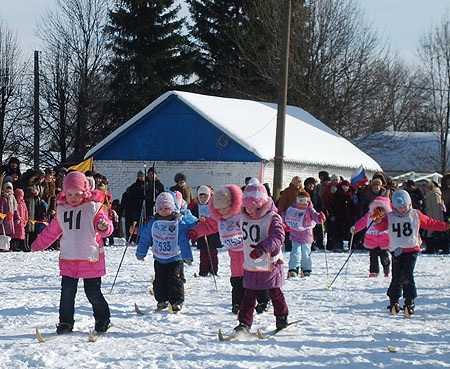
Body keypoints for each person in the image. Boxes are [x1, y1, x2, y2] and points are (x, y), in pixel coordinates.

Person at [31, 171, 114, 335]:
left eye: (77, 194)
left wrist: (104, 227)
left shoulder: (93, 207)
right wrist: (37, 245)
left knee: (93, 294)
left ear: (86, 191)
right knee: (67, 294)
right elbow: (52, 231)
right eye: (69, 194)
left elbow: (105, 228)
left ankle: (103, 319)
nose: (73, 197)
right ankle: (65, 322)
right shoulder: (62, 209)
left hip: (90, 259)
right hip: (69, 258)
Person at [187, 184, 270, 314]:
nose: (223, 211)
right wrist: (195, 231)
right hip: (235, 255)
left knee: (255, 278)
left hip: (251, 253)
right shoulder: (220, 219)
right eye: (219, 209)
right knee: (237, 280)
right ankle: (237, 303)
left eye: (225, 208)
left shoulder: (243, 215)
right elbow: (208, 225)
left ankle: (263, 301)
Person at [381, 190, 449, 315]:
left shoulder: (415, 214)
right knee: (396, 276)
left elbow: (430, 223)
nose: (401, 209)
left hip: (411, 250)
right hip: (396, 251)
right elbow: (380, 226)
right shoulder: (390, 216)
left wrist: (445, 226)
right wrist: (377, 218)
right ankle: (393, 300)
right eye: (398, 207)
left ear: (410, 203)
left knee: (407, 275)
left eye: (404, 206)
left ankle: (409, 301)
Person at [234, 178, 288, 333]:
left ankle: (281, 318)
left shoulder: (272, 217)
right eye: (247, 206)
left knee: (274, 293)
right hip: (251, 263)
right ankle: (244, 323)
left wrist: (262, 248)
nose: (250, 210)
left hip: (270, 262)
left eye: (254, 207)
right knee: (249, 295)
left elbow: (279, 237)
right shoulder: (243, 217)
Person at [136, 192, 193, 312]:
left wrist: (187, 256)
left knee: (174, 280)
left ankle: (176, 301)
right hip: (159, 257)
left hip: (175, 257)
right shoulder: (153, 223)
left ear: (172, 208)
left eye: (166, 208)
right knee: (159, 280)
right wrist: (141, 253)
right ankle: (161, 300)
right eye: (160, 208)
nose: (163, 211)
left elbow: (183, 241)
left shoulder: (178, 223)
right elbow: (146, 238)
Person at [285, 191, 326, 277]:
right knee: (295, 252)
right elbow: (286, 216)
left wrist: (320, 217)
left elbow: (315, 216)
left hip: (307, 236)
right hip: (295, 235)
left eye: (303, 201)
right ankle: (293, 268)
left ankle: (306, 268)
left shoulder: (309, 210)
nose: (301, 204)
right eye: (299, 201)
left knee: (306, 253)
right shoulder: (292, 209)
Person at [351, 196, 391, 277]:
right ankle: (374, 271)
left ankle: (386, 268)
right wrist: (355, 228)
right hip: (372, 239)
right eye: (377, 208)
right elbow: (362, 222)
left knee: (384, 255)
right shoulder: (370, 215)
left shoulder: (388, 217)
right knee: (373, 256)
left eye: (382, 209)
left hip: (384, 239)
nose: (380, 211)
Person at [188, 185, 221, 276]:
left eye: (205, 196)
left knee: (212, 252)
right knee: (203, 252)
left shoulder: (213, 205)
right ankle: (203, 270)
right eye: (201, 197)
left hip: (212, 231)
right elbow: (191, 216)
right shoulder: (196, 206)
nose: (203, 199)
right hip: (201, 231)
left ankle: (213, 270)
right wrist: (198, 221)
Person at [277, 176, 303, 252]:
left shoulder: (302, 191)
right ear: (293, 182)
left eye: (299, 182)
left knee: (298, 230)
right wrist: (281, 212)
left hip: (300, 214)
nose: (298, 183)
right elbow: (282, 202)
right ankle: (289, 246)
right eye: (297, 182)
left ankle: (297, 245)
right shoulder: (288, 191)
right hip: (289, 213)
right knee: (289, 230)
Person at [420, 180, 447, 254]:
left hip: (433, 217)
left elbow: (436, 209)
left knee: (433, 234)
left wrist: (436, 221)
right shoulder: (429, 194)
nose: (422, 189)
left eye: (424, 187)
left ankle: (433, 248)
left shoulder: (434, 195)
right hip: (429, 216)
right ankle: (431, 248)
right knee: (428, 234)